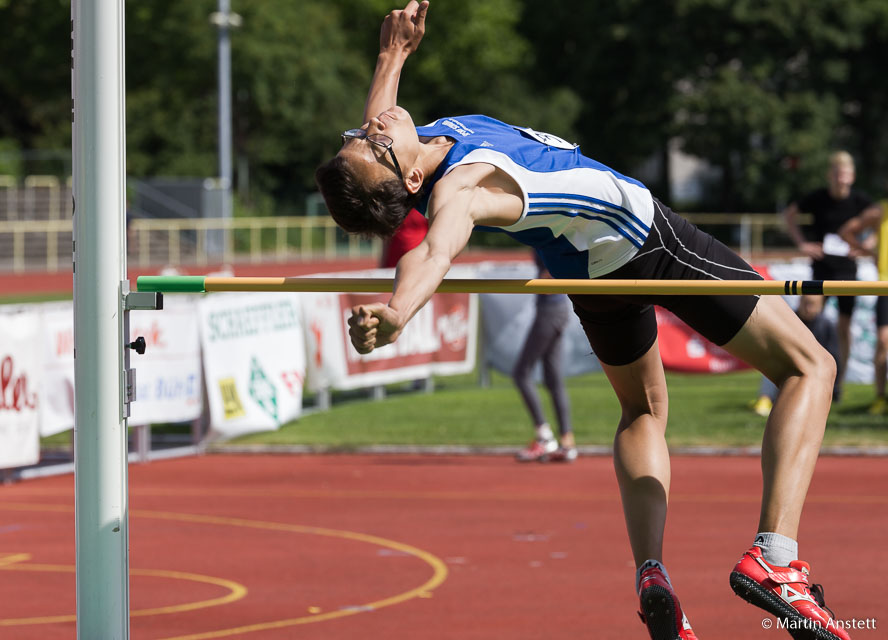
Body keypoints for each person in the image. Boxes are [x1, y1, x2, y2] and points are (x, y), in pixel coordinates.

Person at [315, 3, 850, 638]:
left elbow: (379, 117)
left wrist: (392, 55)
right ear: (406, 176)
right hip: (648, 240)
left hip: (590, 275)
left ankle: (651, 572)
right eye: (373, 139)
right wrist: (399, 311)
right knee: (811, 366)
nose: (371, 124)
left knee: (643, 410)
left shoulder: (409, 142)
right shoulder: (461, 186)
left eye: (357, 133)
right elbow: (434, 250)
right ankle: (776, 560)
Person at [783, 152, 881, 401]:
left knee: (843, 328)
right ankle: (804, 376)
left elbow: (880, 223)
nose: (841, 180)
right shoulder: (818, 198)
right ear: (830, 175)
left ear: (852, 176)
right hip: (822, 268)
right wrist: (803, 243)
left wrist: (867, 244)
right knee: (808, 321)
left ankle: (838, 386)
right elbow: (789, 215)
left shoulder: (861, 201)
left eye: (846, 174)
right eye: (837, 174)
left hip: (847, 270)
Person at [513, 249, 578, 463]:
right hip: (557, 310)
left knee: (521, 374)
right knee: (553, 379)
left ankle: (545, 438)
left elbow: (551, 275)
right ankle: (567, 444)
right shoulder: (552, 230)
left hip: (550, 312)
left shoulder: (545, 232)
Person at [834, 198, 887, 413]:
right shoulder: (881, 209)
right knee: (884, 342)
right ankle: (880, 398)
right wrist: (869, 252)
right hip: (886, 284)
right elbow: (846, 231)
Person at [751, 295, 838, 417]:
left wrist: (835, 390)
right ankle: (765, 399)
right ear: (800, 301)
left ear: (820, 306)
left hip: (814, 368)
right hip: (788, 363)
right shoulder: (787, 320)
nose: (808, 308)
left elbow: (833, 355)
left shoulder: (826, 325)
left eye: (812, 304)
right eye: (806, 303)